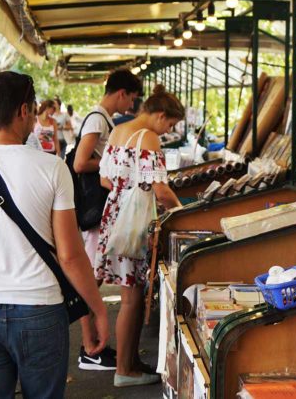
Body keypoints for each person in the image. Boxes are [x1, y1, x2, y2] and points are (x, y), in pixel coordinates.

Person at [0, 71, 109, 398]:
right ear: (23, 111)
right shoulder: (52, 168)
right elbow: (70, 256)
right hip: (39, 307)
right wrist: (96, 308)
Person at [94, 84, 183, 387]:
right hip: (133, 225)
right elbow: (161, 189)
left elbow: (106, 179)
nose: (168, 130)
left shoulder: (119, 131)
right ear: (159, 115)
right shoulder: (149, 138)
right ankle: (124, 370)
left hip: (115, 217)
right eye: (169, 124)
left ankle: (130, 362)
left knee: (128, 293)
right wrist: (181, 211)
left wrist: (127, 191)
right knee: (131, 298)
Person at [74, 68, 142, 371]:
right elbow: (79, 162)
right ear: (122, 93)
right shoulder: (98, 119)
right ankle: (89, 347)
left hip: (101, 209)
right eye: (132, 98)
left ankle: (93, 344)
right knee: (90, 279)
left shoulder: (104, 119)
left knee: (93, 278)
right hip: (95, 210)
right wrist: (112, 163)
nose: (132, 105)